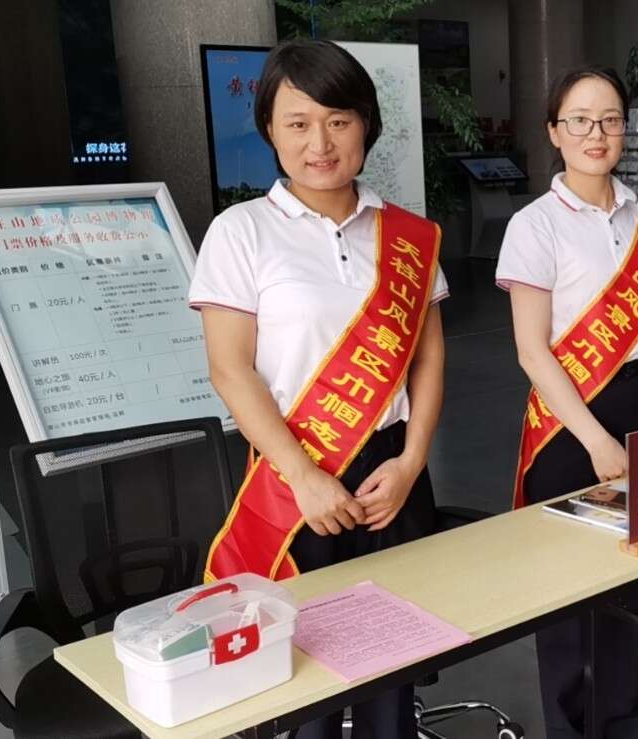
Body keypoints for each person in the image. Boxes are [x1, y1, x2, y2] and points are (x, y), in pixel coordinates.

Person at [189, 40, 448, 739]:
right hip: (294, 469)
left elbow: (428, 358)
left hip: (392, 471)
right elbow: (230, 369)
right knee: (303, 671)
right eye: (298, 123)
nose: (320, 143)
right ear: (270, 131)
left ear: (366, 125)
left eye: (338, 120)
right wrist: (302, 475)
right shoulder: (240, 233)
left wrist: (412, 460)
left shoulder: (409, 235)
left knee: (392, 659)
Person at [495, 65, 638, 739]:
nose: (596, 133)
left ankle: (625, 722)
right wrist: (596, 440)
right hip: (568, 422)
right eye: (579, 120)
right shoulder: (534, 226)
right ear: (555, 132)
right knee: (568, 592)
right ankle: (573, 729)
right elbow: (532, 351)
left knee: (636, 582)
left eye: (609, 119)